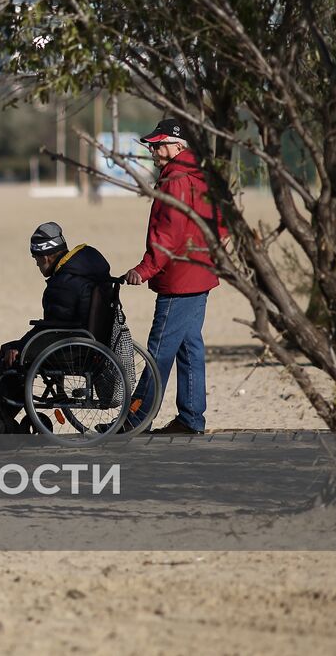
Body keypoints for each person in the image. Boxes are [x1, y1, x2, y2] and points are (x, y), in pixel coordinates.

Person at [0, 222, 111, 434]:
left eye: (36, 259)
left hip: (69, 348)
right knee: (14, 351)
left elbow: (54, 328)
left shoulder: (64, 283)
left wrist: (22, 348)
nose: (36, 265)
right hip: (84, 342)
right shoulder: (86, 273)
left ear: (46, 257)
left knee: (10, 355)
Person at [124, 119, 225, 435]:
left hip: (180, 279)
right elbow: (222, 225)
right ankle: (191, 419)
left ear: (177, 146)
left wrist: (144, 269)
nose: (153, 151)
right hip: (200, 275)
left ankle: (135, 421)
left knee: (158, 352)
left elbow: (168, 233)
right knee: (189, 347)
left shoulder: (176, 181)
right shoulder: (201, 176)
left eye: (157, 145)